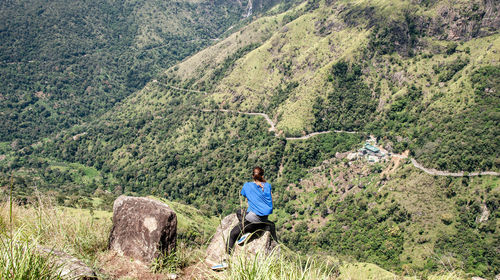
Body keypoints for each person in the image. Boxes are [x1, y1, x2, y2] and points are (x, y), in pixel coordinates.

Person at [211, 166, 278, 270]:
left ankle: (226, 261)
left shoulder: (247, 186)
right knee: (239, 212)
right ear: (262, 176)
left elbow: (246, 197)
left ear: (253, 176)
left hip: (252, 221)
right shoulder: (268, 186)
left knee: (232, 234)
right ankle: (247, 232)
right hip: (264, 221)